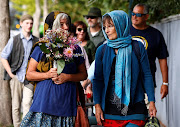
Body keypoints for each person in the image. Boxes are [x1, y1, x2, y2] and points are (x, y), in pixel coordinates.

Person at [20, 11, 87, 127]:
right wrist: (47, 75)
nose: (66, 27)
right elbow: (29, 74)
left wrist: (67, 77)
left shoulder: (75, 48)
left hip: (67, 104)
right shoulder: (42, 46)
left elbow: (83, 75)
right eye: (61, 24)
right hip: (44, 103)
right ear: (53, 26)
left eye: (67, 24)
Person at [93, 10, 157, 126]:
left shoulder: (138, 47)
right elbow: (98, 80)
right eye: (105, 27)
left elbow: (147, 74)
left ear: (121, 25)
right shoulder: (101, 50)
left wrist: (152, 101)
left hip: (135, 107)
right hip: (109, 110)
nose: (106, 30)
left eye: (110, 26)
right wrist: (97, 105)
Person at [1, 14, 38, 127]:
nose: (29, 25)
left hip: (29, 78)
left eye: (31, 23)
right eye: (27, 23)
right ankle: (17, 125)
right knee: (16, 105)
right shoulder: (14, 39)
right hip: (17, 77)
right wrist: (11, 74)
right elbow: (3, 57)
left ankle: (25, 125)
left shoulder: (36, 41)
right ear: (21, 23)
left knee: (27, 103)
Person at [130, 3, 169, 99]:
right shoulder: (124, 32)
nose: (134, 17)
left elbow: (162, 59)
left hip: (147, 84)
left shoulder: (156, 35)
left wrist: (165, 83)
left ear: (146, 17)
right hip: (126, 84)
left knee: (148, 113)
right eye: (133, 13)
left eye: (138, 15)